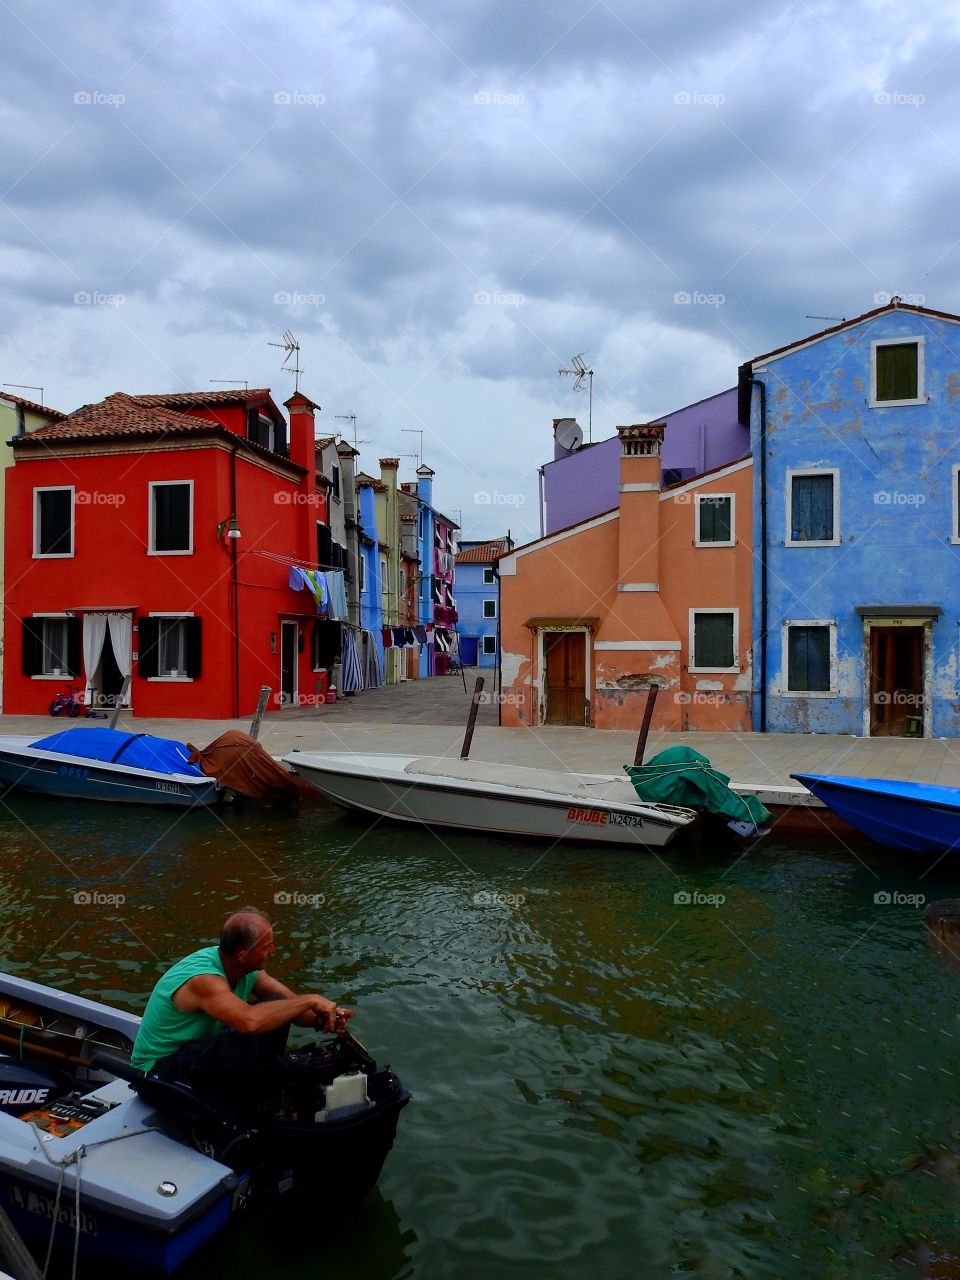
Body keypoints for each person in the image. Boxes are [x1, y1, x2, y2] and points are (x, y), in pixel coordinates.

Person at [130, 908, 354, 1104]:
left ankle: (258, 1090)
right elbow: (249, 1022)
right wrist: (310, 999)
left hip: (193, 1055)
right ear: (243, 955)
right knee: (245, 1035)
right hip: (155, 1075)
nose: (273, 950)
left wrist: (325, 1018)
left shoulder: (246, 970)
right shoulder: (205, 979)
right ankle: (242, 1105)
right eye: (267, 946)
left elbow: (291, 1007)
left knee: (277, 1006)